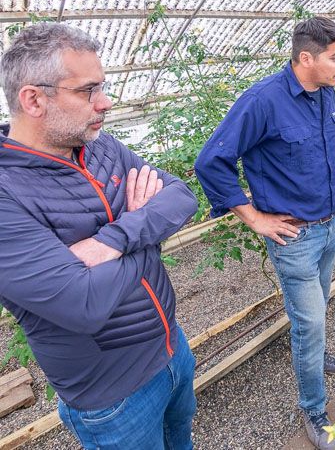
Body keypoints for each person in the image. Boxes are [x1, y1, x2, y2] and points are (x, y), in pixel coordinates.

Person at [0, 23, 198, 449]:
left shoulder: (100, 147)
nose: (105, 102)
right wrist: (146, 225)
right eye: (88, 90)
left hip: (172, 348)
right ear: (33, 99)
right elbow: (83, 304)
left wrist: (116, 238)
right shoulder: (7, 193)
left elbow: (181, 197)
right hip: (114, 397)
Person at [193, 17, 335, 450]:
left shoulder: (325, 91)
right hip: (294, 237)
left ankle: (316, 356)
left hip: (329, 224)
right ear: (306, 58)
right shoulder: (263, 101)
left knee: (319, 305)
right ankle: (314, 409)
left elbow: (333, 137)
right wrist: (254, 219)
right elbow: (211, 161)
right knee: (310, 321)